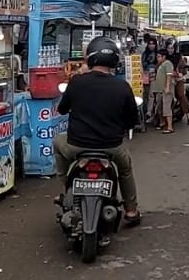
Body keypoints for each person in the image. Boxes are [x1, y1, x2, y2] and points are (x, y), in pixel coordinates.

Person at [53, 36, 141, 226]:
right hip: (111, 147)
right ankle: (132, 211)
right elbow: (132, 120)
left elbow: (61, 109)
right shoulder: (122, 87)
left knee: (57, 142)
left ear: (90, 58)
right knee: (125, 169)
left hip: (76, 146)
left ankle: (67, 187)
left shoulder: (76, 83)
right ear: (115, 61)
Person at [167, 38, 189, 125]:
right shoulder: (163, 56)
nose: (170, 50)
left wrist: (180, 73)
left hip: (178, 79)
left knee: (181, 95)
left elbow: (184, 69)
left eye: (172, 48)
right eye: (168, 48)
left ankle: (188, 115)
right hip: (167, 80)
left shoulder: (179, 57)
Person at [152, 49, 175, 134]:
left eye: (159, 56)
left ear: (164, 57)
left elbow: (169, 76)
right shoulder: (160, 65)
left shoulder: (168, 64)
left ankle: (170, 127)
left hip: (166, 90)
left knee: (166, 108)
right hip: (160, 89)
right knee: (159, 107)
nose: (157, 58)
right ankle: (163, 123)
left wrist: (167, 87)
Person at [140, 38, 159, 108]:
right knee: (146, 93)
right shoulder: (145, 53)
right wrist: (148, 61)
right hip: (146, 76)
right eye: (150, 44)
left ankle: (153, 110)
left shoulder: (158, 53)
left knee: (154, 94)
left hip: (155, 76)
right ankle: (146, 109)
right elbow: (142, 64)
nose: (151, 45)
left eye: (153, 44)